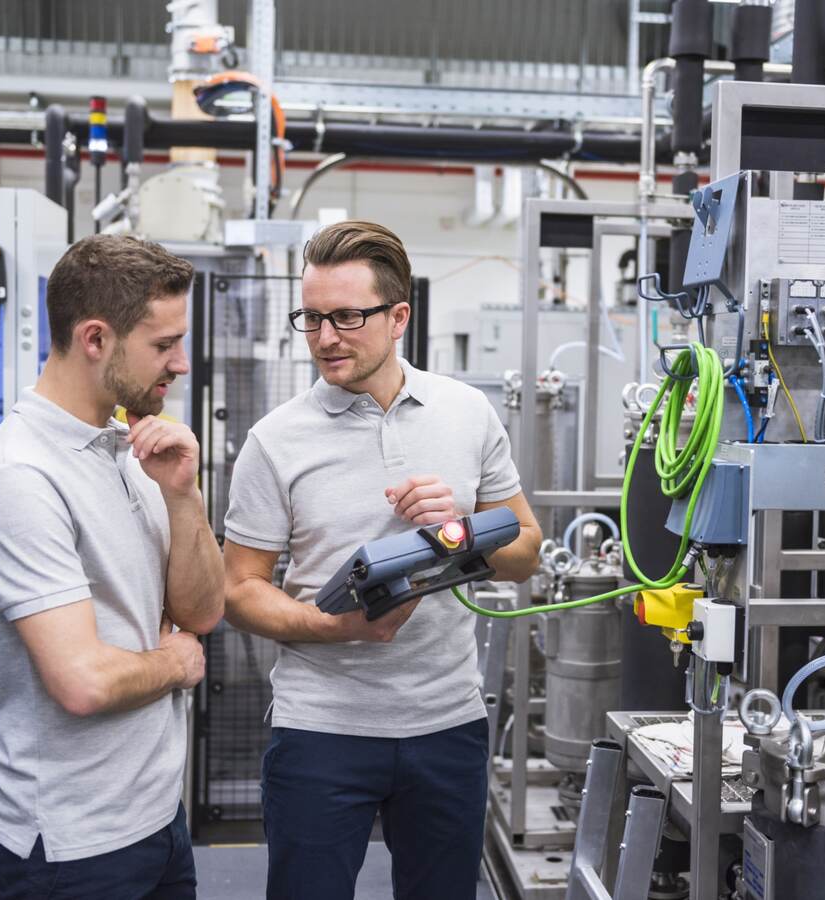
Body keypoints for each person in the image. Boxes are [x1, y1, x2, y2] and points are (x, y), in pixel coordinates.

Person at [223, 220, 542, 900]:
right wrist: (336, 627)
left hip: (448, 723)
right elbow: (239, 590)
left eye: (345, 316)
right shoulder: (274, 440)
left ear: (399, 316)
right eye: (310, 318)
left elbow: (526, 552)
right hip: (320, 730)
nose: (325, 338)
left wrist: (463, 530)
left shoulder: (467, 413)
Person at [0, 234, 224, 899]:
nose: (181, 364)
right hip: (68, 843)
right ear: (96, 339)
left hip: (154, 817)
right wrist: (178, 665)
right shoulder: (19, 476)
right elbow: (83, 682)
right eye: (164, 346)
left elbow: (203, 612)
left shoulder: (127, 450)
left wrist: (184, 496)